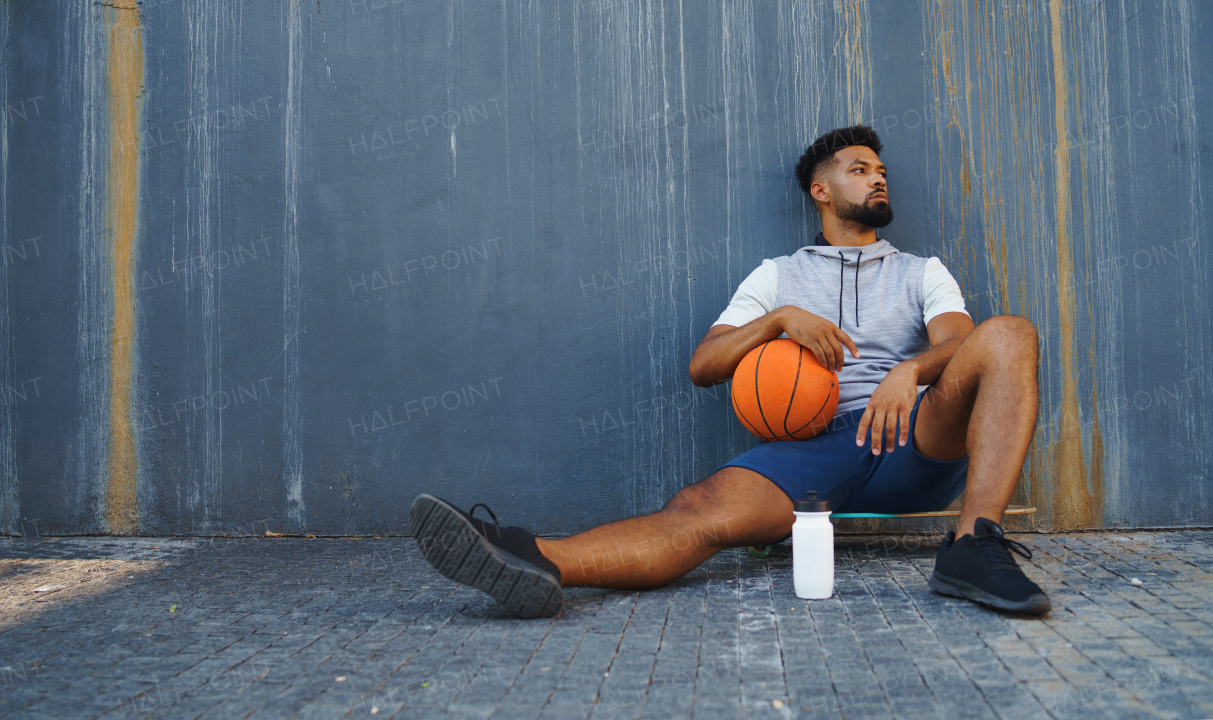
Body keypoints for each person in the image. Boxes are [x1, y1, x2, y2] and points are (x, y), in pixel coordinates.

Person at [408, 125, 1051, 619]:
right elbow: (705, 365)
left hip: (909, 434)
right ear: (821, 191)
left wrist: (909, 372)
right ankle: (534, 560)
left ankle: (972, 544)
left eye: (881, 171)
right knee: (699, 509)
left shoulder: (921, 271)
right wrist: (777, 322)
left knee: (1012, 334)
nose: (877, 179)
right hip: (812, 448)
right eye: (860, 170)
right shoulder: (777, 276)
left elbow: (966, 347)